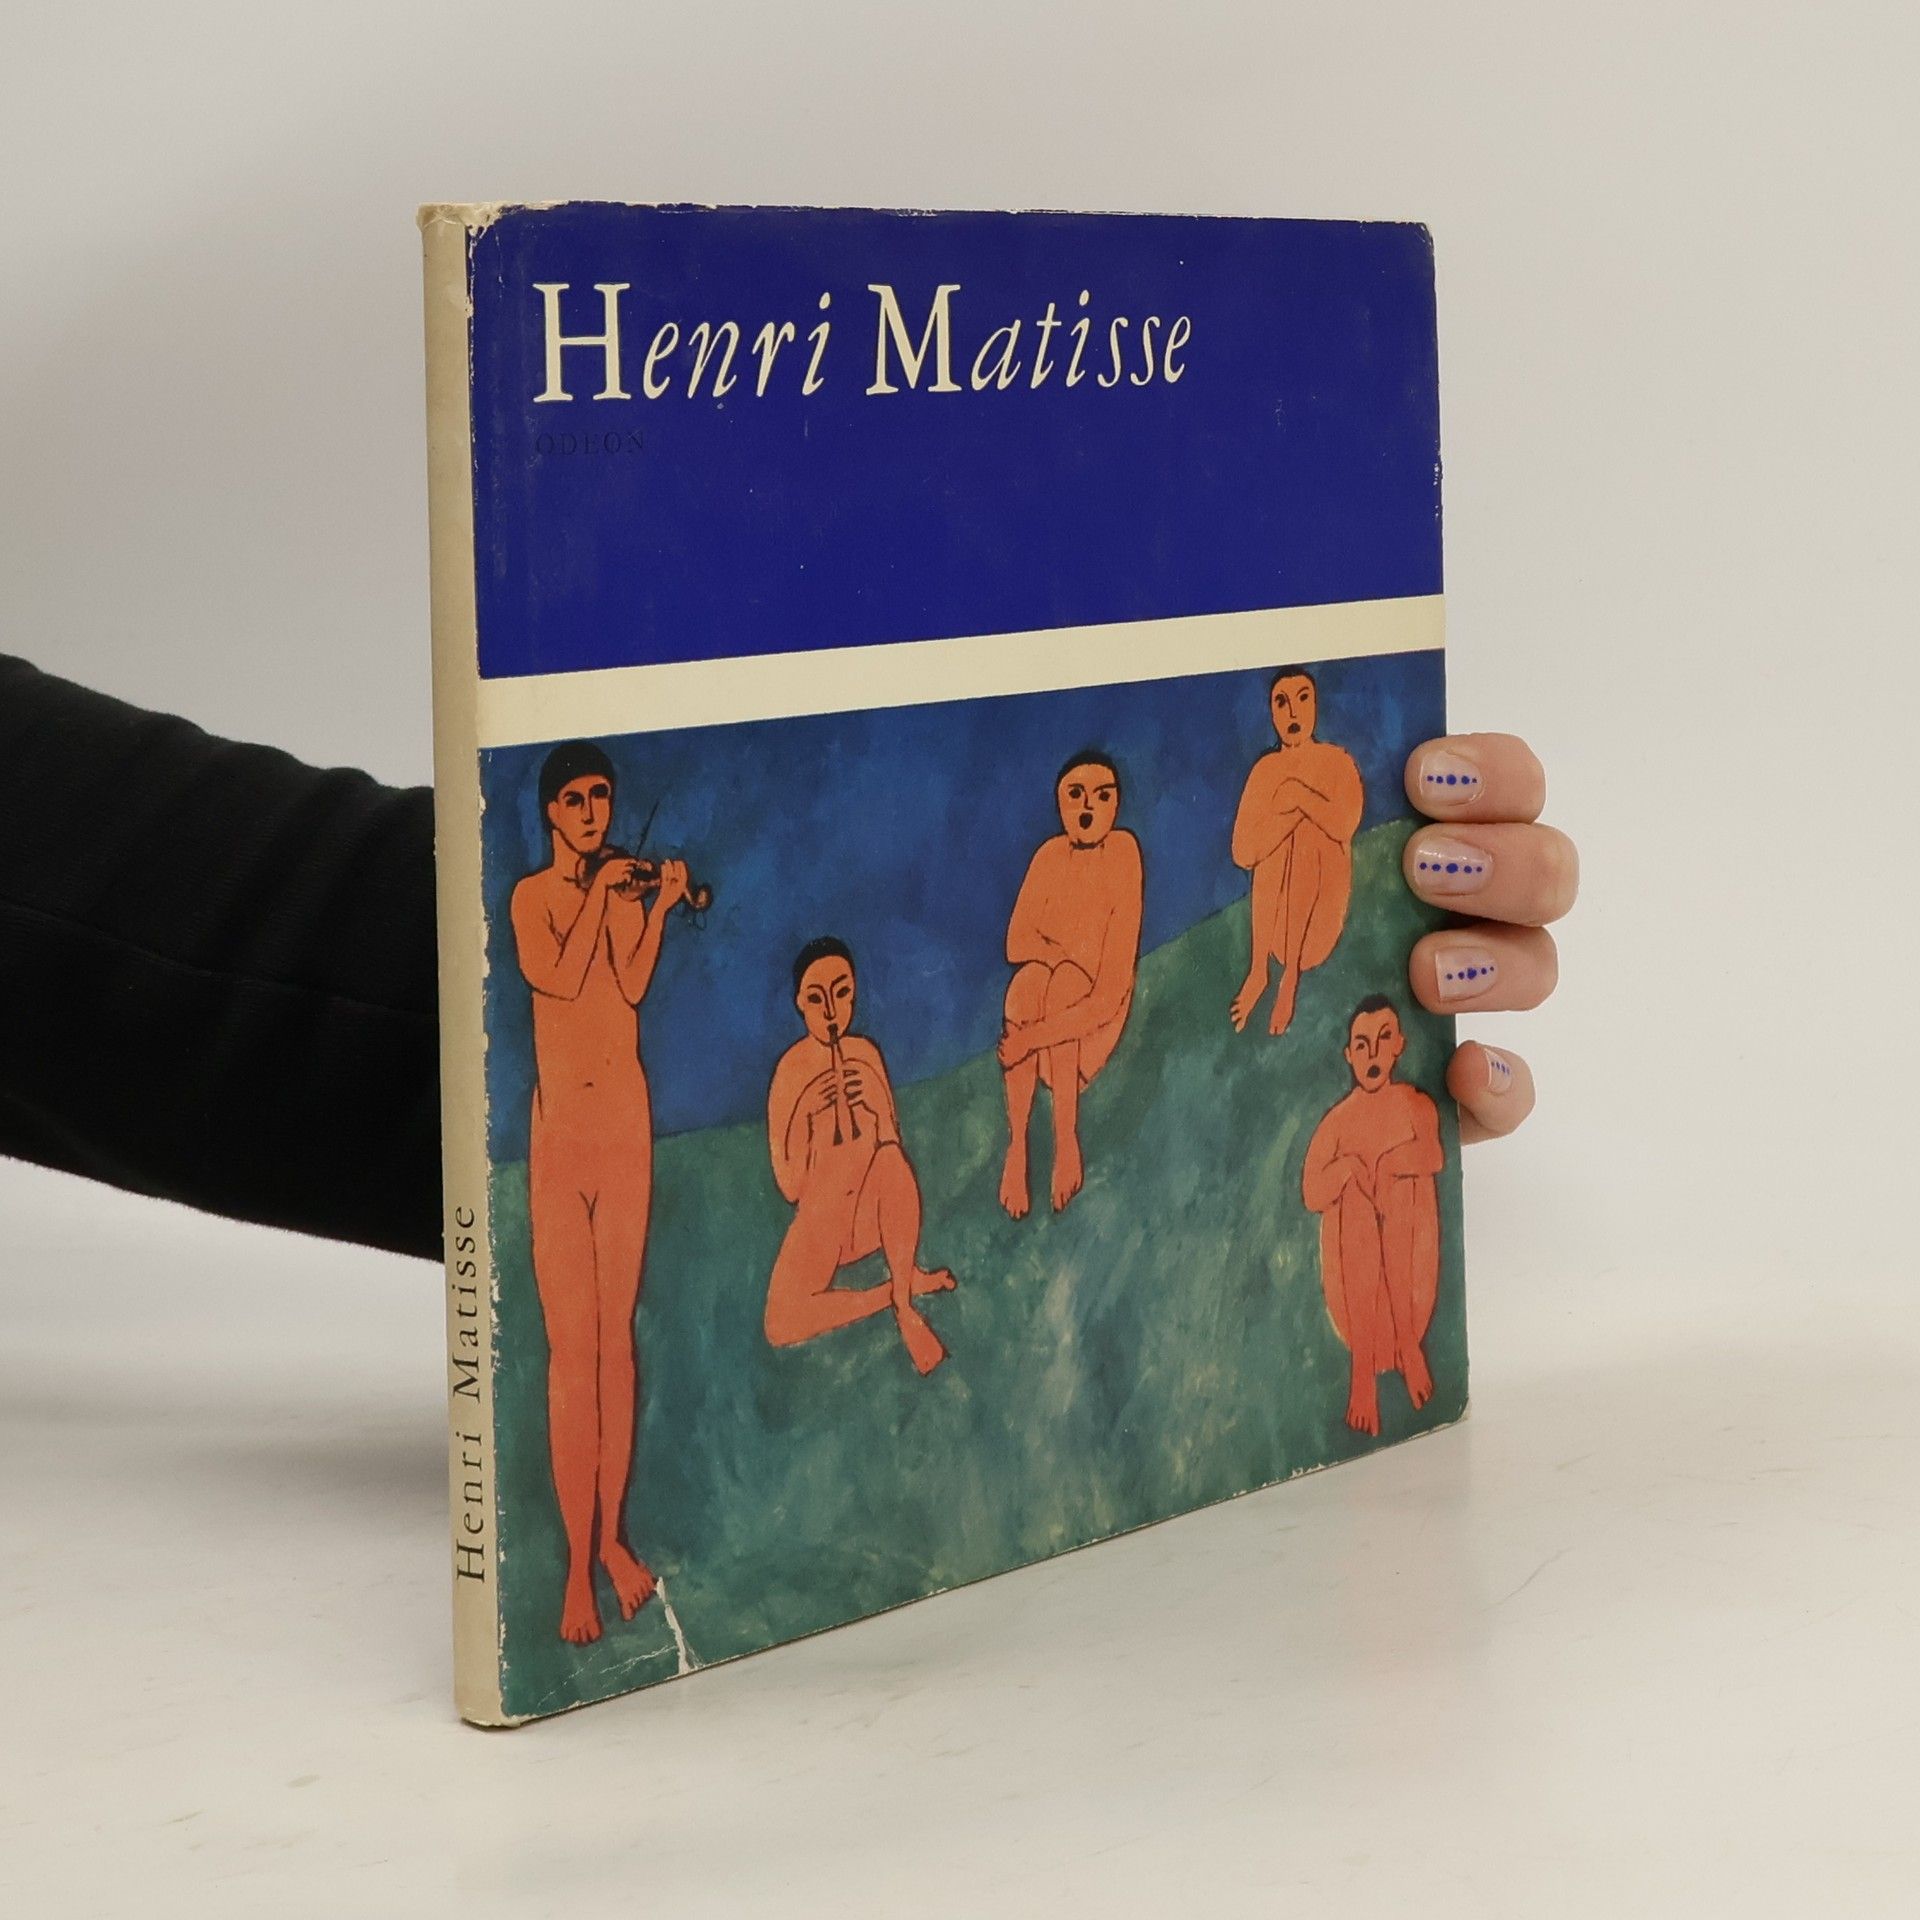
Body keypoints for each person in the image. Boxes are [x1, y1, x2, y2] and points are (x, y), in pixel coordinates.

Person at [0, 654, 1578, 1255]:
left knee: (1172, 996)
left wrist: (1363, 962)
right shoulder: (1047, 864)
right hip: (995, 1019)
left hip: (594, 1083)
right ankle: (1044, 1139)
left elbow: (168, 931)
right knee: (1033, 1049)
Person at [510, 741, 690, 1644]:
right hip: (562, 1138)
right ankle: (576, 1569)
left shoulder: (616, 891)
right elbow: (557, 975)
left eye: (602, 798)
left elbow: (629, 983)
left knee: (615, 1344)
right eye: (576, 800)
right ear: (552, 812)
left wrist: (656, 905)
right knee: (568, 1352)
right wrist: (603, 893)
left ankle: (613, 1539)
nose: (593, 814)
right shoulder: (533, 898)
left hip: (625, 1125)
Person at [763, 937, 955, 1374]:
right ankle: (892, 1290)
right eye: (817, 998)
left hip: (871, 1218)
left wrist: (874, 1102)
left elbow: (892, 1150)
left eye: (842, 992)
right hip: (823, 1223)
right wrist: (806, 1113)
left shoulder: (866, 1054)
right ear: (800, 1004)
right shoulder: (789, 1073)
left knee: (891, 1162)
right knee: (779, 1322)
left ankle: (904, 1305)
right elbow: (790, 1187)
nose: (831, 1011)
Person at [997, 752, 1145, 1217]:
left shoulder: (1123, 854)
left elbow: (1108, 996)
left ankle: (1066, 1140)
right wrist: (1061, 955)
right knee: (1027, 983)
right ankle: (1017, 1147)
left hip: (1090, 1031)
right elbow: (1016, 943)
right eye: (1075, 795)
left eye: (1101, 796)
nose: (1087, 808)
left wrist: (1029, 1040)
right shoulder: (1049, 856)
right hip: (1041, 1025)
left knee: (1063, 984)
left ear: (1116, 804)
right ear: (1060, 803)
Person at [1301, 997, 1443, 1436]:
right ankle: (1361, 1373)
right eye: (1362, 1045)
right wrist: (1350, 1168)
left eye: (1383, 1040)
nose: (1373, 1054)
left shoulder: (1416, 1105)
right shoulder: (1337, 1122)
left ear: (1399, 1044)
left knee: (1399, 1185)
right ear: (1349, 1055)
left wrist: (1390, 1164)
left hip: (1410, 1287)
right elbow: (1311, 1193)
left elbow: (1433, 1155)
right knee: (1354, 1198)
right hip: (1358, 1301)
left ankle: (1409, 1346)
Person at [1230, 667, 1366, 1036]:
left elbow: (1343, 824)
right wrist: (1288, 815)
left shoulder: (1337, 761)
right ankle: (1259, 970)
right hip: (1275, 929)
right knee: (1275, 841)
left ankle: (1289, 978)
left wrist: (1299, 798)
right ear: (1272, 713)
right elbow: (1243, 852)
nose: (1293, 712)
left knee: (1307, 835)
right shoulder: (1265, 770)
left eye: (1303, 698)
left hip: (1318, 925)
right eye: (1282, 702)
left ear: (1316, 705)